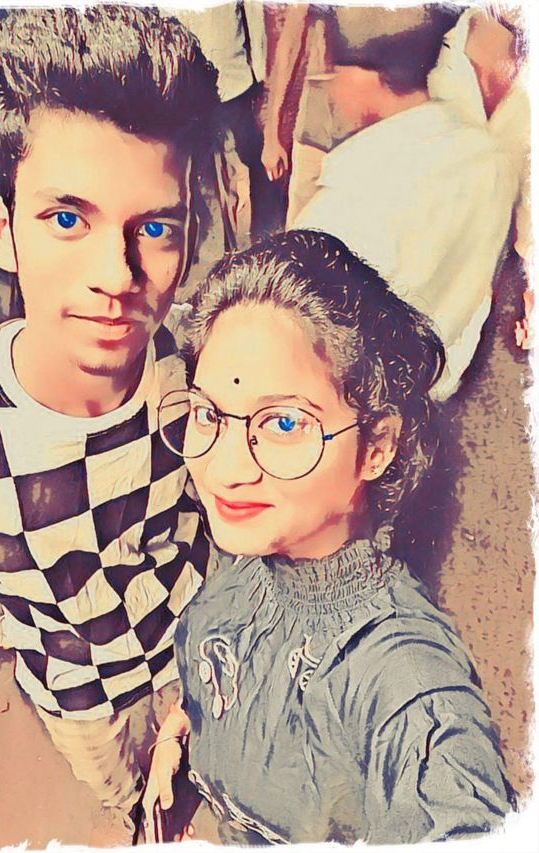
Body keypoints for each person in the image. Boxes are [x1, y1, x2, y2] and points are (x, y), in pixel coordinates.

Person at [0, 6, 219, 845]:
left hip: (195, 636)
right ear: (2, 230)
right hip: (81, 698)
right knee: (128, 795)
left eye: (154, 227)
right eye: (68, 219)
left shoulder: (200, 363)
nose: (116, 275)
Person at [144, 231, 514, 845]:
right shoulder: (257, 545)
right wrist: (181, 733)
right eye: (209, 414)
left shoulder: (407, 687)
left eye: (285, 422)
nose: (222, 469)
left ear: (376, 447)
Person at [292, 6, 530, 399]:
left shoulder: (348, 197)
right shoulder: (487, 157)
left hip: (365, 390)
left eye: (336, 74)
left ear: (370, 77)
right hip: (431, 374)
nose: (330, 90)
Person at [261, 4, 459, 224]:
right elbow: (290, 42)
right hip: (321, 128)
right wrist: (272, 132)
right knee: (301, 231)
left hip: (385, 134)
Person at [173, 1, 284, 246]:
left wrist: (260, 76)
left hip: (233, 84)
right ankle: (213, 253)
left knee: (255, 168)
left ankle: (266, 245)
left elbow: (253, 12)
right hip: (184, 84)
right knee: (200, 180)